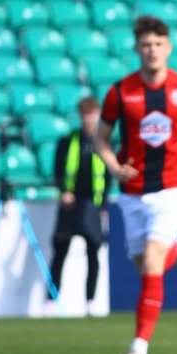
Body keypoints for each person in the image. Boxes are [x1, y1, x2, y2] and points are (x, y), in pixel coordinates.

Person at [94, 15, 177, 354]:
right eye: (145, 45)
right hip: (131, 192)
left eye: (157, 44)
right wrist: (112, 165)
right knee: (145, 269)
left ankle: (138, 349)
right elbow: (100, 138)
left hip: (169, 188)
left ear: (169, 47)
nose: (151, 51)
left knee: (152, 263)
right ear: (137, 48)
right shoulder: (120, 92)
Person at [48, 96, 109, 314]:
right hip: (70, 205)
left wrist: (104, 206)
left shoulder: (104, 142)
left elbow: (109, 176)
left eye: (91, 113)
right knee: (60, 251)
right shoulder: (68, 141)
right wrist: (64, 191)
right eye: (84, 114)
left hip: (93, 204)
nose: (88, 118)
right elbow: (56, 171)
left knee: (93, 253)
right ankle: (51, 301)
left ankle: (90, 302)